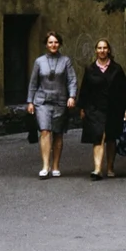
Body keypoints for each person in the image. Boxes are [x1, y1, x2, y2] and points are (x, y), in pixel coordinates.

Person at [77, 39, 126, 181]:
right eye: (99, 48)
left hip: (114, 108)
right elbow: (84, 90)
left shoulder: (116, 69)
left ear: (109, 50)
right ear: (96, 50)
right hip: (95, 109)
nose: (102, 51)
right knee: (98, 136)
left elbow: (124, 89)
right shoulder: (90, 70)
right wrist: (82, 107)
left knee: (111, 138)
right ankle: (97, 169)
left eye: (105, 48)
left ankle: (110, 167)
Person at [26, 31, 78, 178]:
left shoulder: (66, 61)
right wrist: (30, 101)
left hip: (60, 101)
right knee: (44, 131)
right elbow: (33, 83)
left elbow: (72, 80)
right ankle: (45, 166)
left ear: (59, 44)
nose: (53, 45)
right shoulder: (39, 61)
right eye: (50, 42)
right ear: (46, 44)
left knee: (58, 133)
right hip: (42, 101)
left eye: (55, 42)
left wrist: (72, 96)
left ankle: (55, 166)